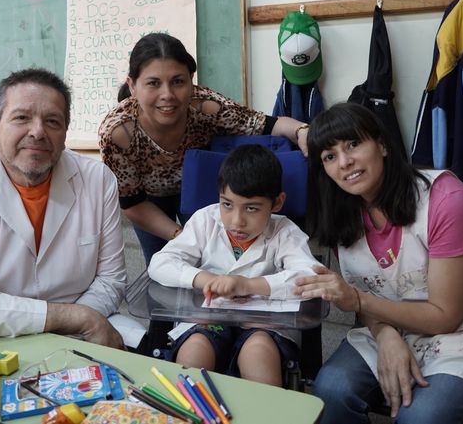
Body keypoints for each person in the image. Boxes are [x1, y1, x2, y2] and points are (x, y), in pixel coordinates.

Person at [293, 103, 463, 424]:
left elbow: (445, 317)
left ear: (382, 145)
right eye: (329, 156)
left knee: (420, 417)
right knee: (331, 390)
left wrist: (359, 301)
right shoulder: (342, 213)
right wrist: (385, 335)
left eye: (353, 144)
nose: (345, 162)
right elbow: (367, 293)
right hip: (389, 323)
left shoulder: (446, 200)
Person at [0, 68, 135, 354]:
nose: (38, 132)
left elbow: (111, 280)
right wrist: (76, 318)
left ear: (65, 133)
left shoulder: (98, 180)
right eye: (21, 117)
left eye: (53, 121)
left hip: (75, 332)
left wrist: (68, 328)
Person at [99, 32, 311, 264]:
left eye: (178, 81)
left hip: (198, 188)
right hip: (147, 201)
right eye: (153, 83)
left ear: (191, 80)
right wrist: (183, 236)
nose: (167, 95)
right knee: (162, 263)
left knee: (215, 260)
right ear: (132, 85)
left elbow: (266, 124)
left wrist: (302, 130)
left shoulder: (206, 106)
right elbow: (132, 202)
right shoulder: (118, 132)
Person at [147, 144, 323, 386]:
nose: (237, 221)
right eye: (227, 205)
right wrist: (206, 280)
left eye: (251, 208)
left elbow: (310, 278)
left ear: (277, 202)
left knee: (258, 353)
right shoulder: (205, 220)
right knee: (194, 351)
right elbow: (160, 263)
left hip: (263, 325)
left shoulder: (285, 232)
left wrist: (248, 285)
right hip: (207, 319)